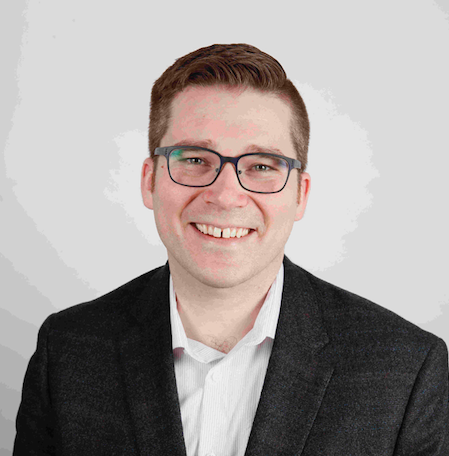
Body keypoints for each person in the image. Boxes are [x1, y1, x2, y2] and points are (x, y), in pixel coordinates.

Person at [14, 43, 448, 455]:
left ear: (300, 194)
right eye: (194, 159)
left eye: (261, 166)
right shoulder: (68, 350)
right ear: (149, 181)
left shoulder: (406, 369)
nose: (225, 196)